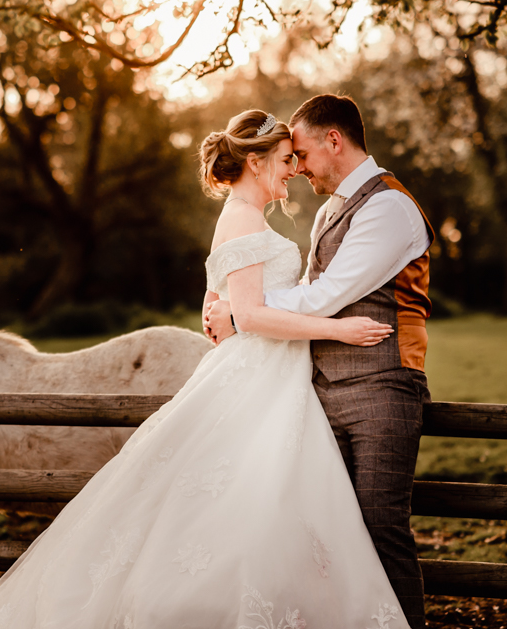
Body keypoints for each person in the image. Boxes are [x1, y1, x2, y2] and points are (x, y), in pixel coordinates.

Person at [0, 109, 411, 629]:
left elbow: (224, 306)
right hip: (261, 374)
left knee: (269, 502)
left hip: (272, 375)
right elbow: (254, 313)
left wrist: (223, 312)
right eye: (286, 160)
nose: (292, 170)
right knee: (248, 502)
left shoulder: (246, 217)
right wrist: (341, 330)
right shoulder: (242, 217)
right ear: (256, 161)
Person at [205, 95, 434, 629]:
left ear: (335, 140)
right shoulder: (333, 209)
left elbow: (327, 294)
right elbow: (306, 287)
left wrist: (241, 314)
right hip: (319, 389)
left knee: (381, 527)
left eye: (302, 154)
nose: (299, 166)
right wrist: (239, 305)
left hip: (382, 387)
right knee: (328, 533)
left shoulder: (389, 207)